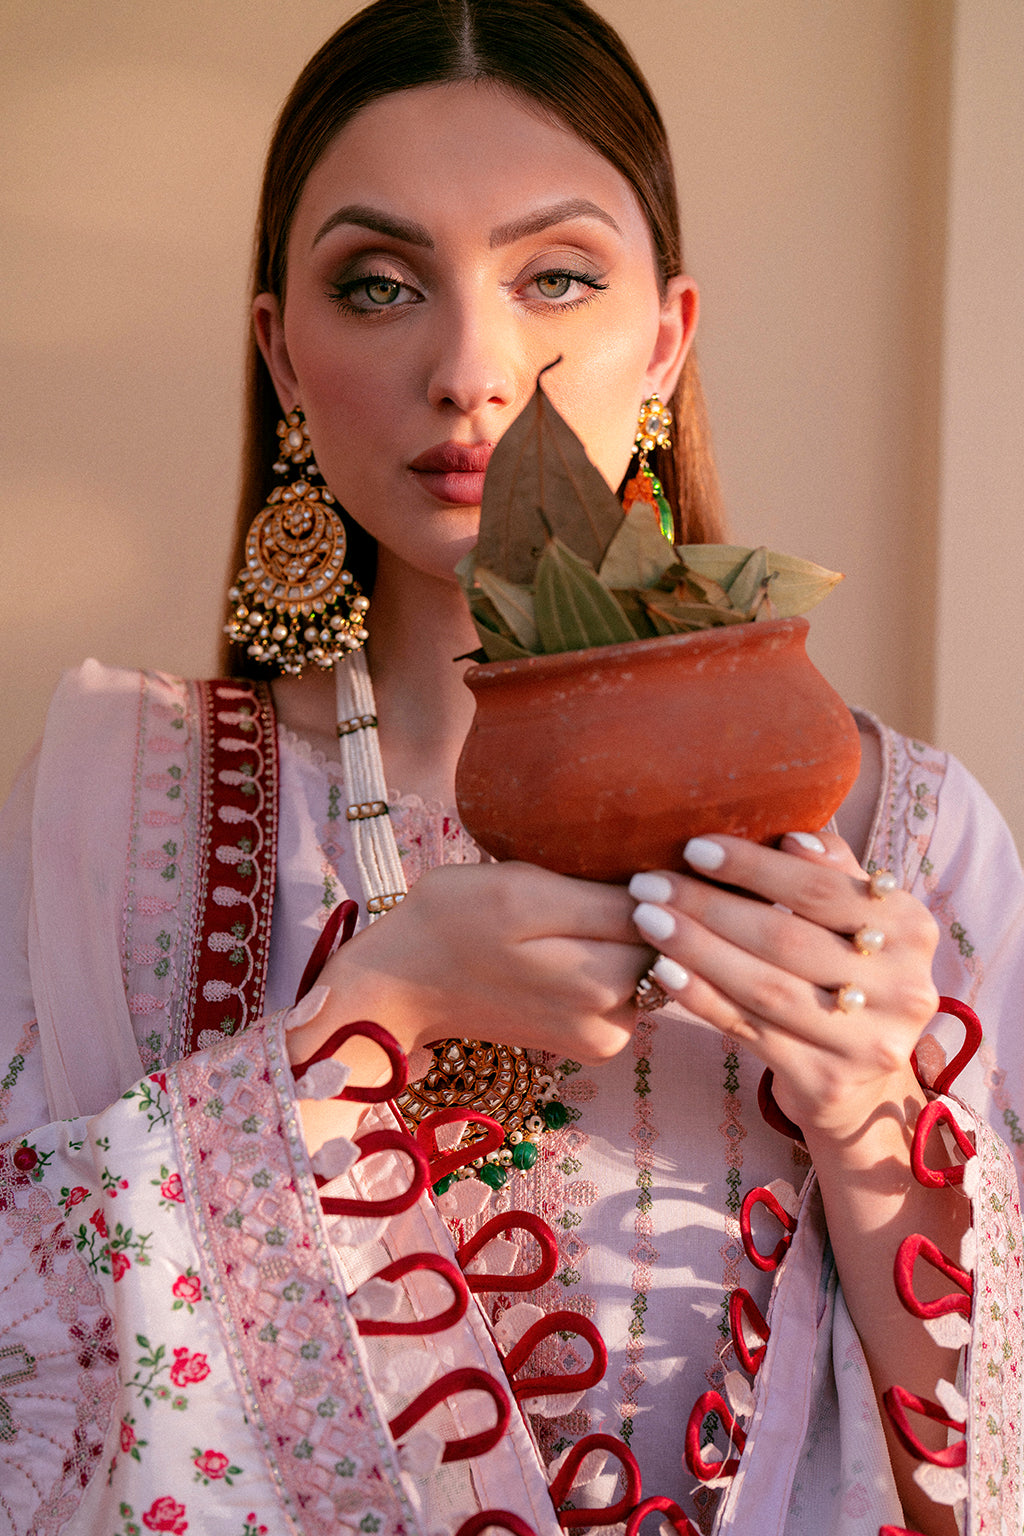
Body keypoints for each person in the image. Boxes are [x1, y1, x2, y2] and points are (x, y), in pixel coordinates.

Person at [1, 2, 1021, 1533]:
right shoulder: (117, 805)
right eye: (380, 283)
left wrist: (872, 1107)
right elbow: (35, 1383)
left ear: (667, 336)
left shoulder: (904, 839)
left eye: (556, 276)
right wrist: (366, 1022)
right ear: (282, 352)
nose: (475, 368)